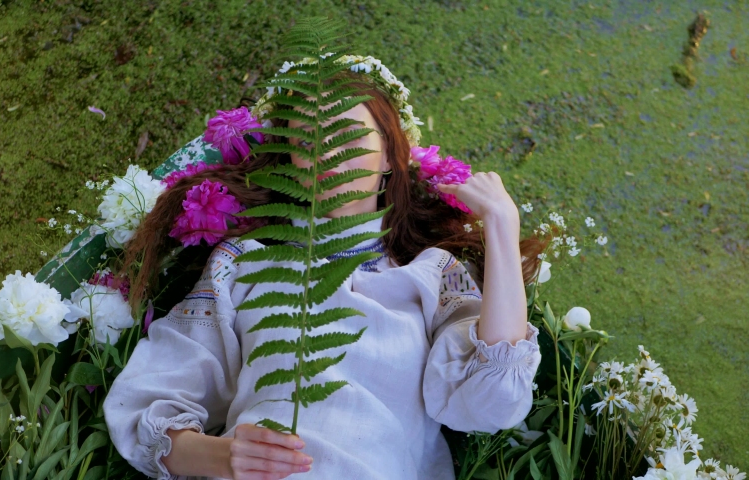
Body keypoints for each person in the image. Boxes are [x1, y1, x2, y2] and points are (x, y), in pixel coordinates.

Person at [104, 54, 544, 480]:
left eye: (350, 138)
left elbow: (491, 404)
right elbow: (144, 403)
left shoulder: (432, 275)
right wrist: (222, 456)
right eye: (308, 142)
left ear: (391, 155)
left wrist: (502, 227)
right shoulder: (243, 263)